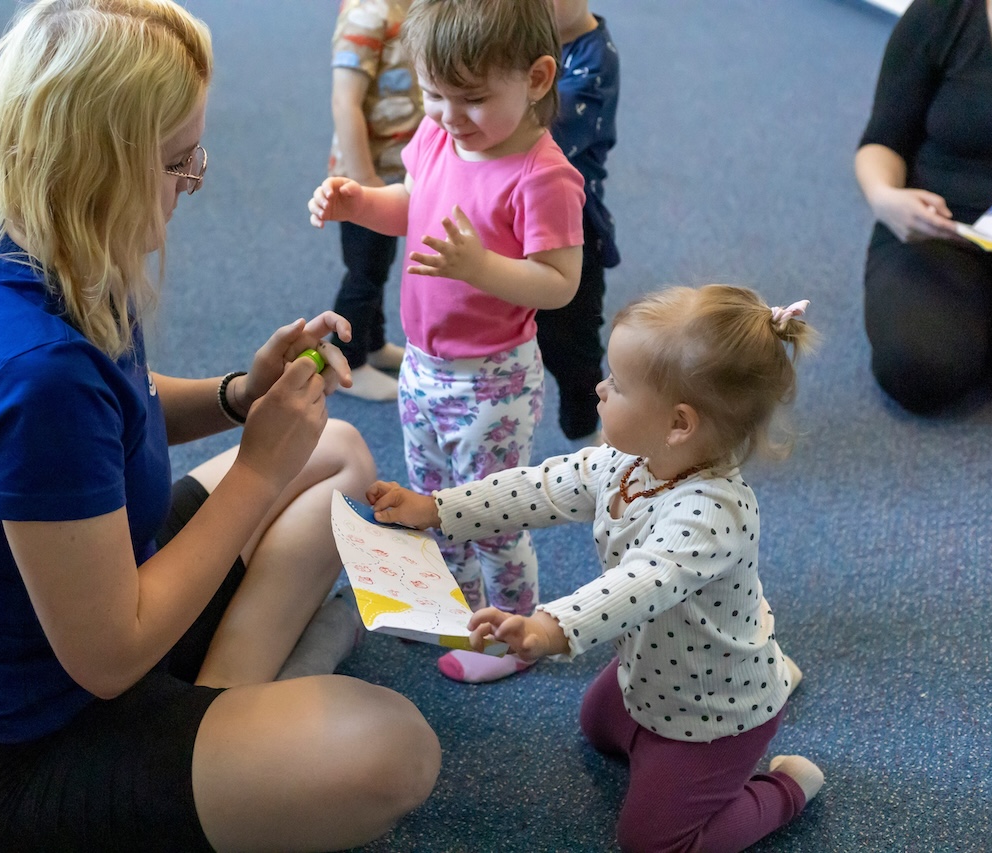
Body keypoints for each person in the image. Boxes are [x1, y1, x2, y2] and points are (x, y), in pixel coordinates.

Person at [0, 2, 440, 851]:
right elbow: (109, 659)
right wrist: (255, 468)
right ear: (94, 164)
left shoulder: (44, 246)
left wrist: (235, 395)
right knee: (395, 753)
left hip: (110, 592)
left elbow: (124, 397)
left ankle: (217, 704)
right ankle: (223, 727)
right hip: (22, 749)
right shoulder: (36, 372)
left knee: (336, 453)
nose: (193, 181)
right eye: (178, 162)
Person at [368, 284, 825, 852]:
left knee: (651, 844)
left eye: (618, 384)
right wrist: (437, 509)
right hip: (653, 665)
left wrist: (549, 626)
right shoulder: (632, 461)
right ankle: (771, 665)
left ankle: (783, 787)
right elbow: (538, 488)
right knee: (598, 726)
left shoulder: (711, 514)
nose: (599, 389)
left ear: (679, 423)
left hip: (714, 708)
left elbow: (638, 584)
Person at [309, 0, 586, 683]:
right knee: (433, 501)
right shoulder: (438, 137)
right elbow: (414, 200)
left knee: (491, 517)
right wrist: (359, 203)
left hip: (493, 379)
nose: (448, 113)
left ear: (538, 78)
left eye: (471, 98)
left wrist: (481, 268)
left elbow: (560, 282)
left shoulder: (542, 176)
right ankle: (454, 608)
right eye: (434, 94)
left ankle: (512, 633)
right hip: (426, 366)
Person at [854, 0, 992, 414]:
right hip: (932, 233)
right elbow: (881, 141)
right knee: (918, 366)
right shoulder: (944, 12)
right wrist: (886, 199)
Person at [324, 0, 422, 402]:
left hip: (397, 175)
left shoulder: (409, 9)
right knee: (363, 275)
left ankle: (374, 343)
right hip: (365, 180)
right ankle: (348, 360)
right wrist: (366, 184)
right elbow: (344, 102)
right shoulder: (367, 14)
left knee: (380, 267)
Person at [535, 0, 620, 442]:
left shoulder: (595, 58)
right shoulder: (529, 31)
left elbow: (543, 124)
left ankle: (586, 429)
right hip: (522, 215)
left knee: (572, 342)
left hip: (574, 222)